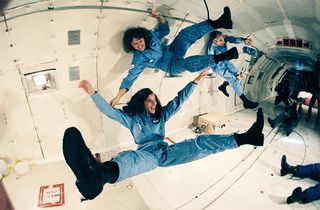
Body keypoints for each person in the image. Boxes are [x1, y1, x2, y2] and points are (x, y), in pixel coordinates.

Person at [63, 68, 265, 200]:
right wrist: (93, 94)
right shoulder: (133, 120)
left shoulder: (161, 115)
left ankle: (247, 137)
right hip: (149, 156)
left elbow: (178, 101)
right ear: (142, 103)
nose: (153, 104)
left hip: (166, 152)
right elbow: (110, 112)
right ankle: (99, 174)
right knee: (131, 159)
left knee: (200, 144)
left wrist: (195, 81)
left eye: (155, 101)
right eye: (149, 101)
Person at [110, 7, 239, 106]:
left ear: (143, 38)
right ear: (131, 46)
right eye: (135, 44)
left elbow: (164, 30)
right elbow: (130, 78)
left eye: (140, 41)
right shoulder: (139, 59)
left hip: (173, 50)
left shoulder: (151, 37)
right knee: (186, 64)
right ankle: (222, 57)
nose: (139, 45)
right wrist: (118, 97)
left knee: (184, 35)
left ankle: (219, 23)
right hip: (171, 66)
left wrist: (159, 16)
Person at [207, 30, 259, 109]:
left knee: (236, 73)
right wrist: (231, 76)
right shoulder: (211, 50)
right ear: (214, 41)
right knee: (234, 79)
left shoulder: (222, 39)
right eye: (221, 40)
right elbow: (212, 63)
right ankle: (246, 101)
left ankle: (224, 85)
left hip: (226, 62)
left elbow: (233, 39)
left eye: (223, 39)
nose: (223, 42)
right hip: (219, 67)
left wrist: (244, 40)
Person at [306, 55, 320, 126]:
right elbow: (316, 71)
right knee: (310, 105)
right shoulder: (316, 77)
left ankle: (317, 120)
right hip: (315, 92)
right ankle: (308, 117)